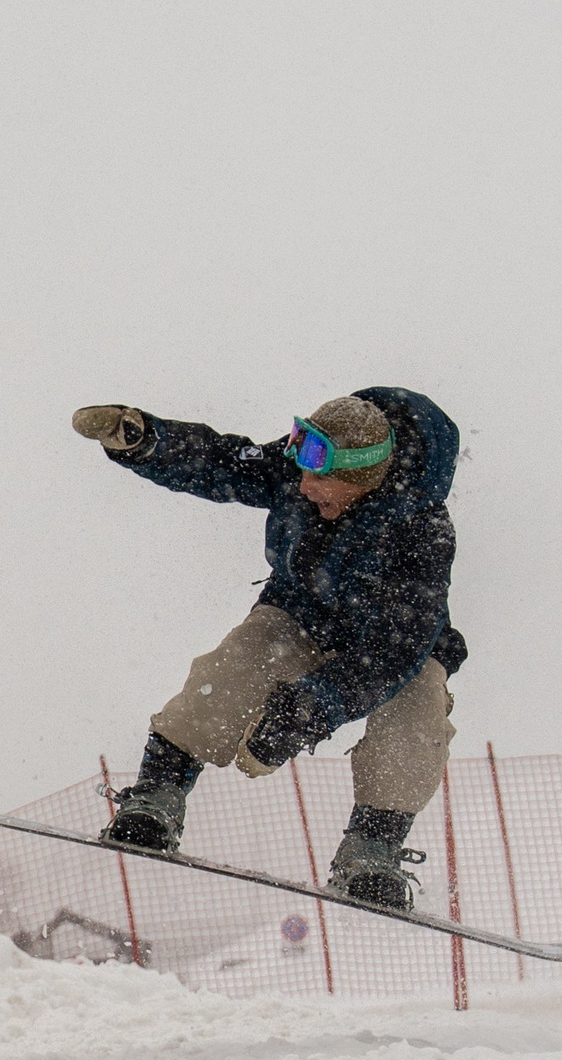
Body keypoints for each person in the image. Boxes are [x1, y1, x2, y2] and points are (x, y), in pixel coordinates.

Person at [70, 390, 466, 910]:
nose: (303, 487)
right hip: (300, 613)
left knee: (417, 712)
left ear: (362, 479)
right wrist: (146, 440)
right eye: (301, 473)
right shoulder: (297, 468)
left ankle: (372, 848)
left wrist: (309, 709)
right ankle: (157, 795)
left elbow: (395, 653)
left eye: (320, 480)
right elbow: (223, 460)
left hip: (387, 648)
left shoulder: (424, 533)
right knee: (235, 668)